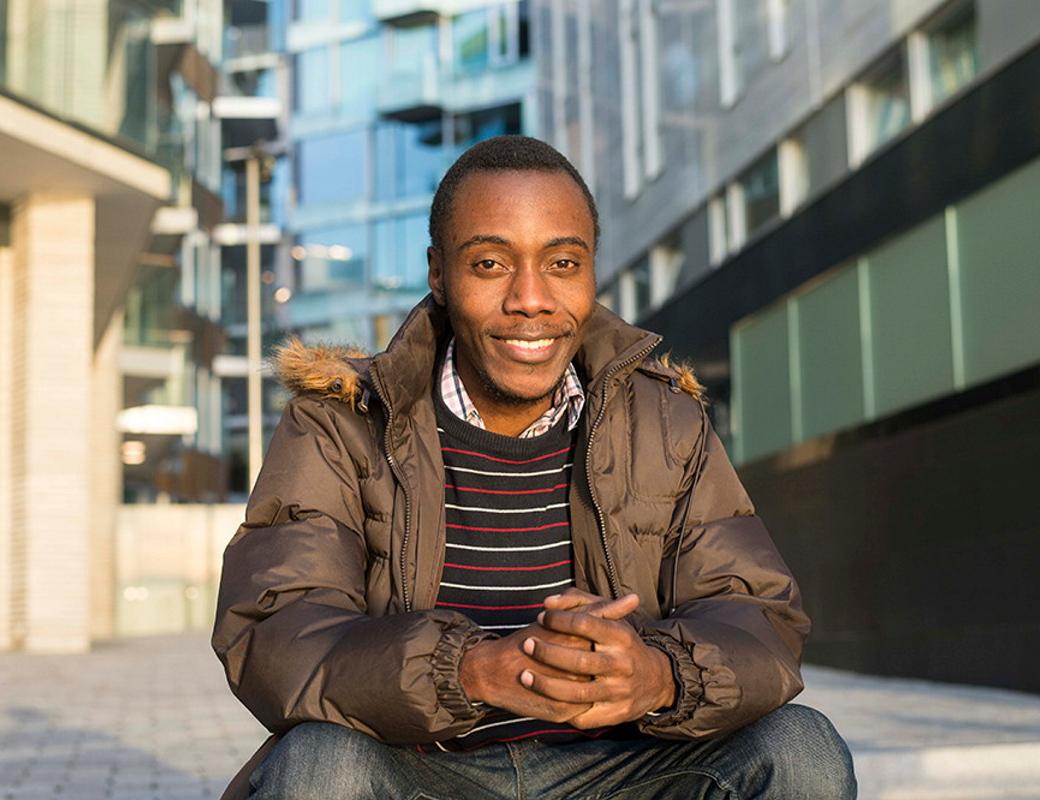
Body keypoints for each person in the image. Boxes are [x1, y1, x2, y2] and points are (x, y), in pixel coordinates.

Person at [212, 136, 856, 799]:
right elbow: (279, 631)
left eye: (562, 263)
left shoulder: (665, 423)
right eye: (491, 263)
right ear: (440, 272)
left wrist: (658, 674)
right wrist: (471, 671)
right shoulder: (342, 422)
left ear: (591, 272)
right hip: (421, 771)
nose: (531, 299)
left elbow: (756, 615)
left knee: (799, 747)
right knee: (322, 764)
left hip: (625, 772)